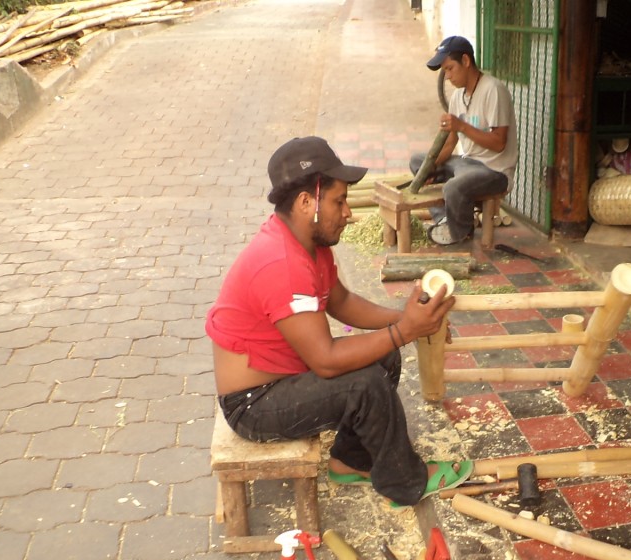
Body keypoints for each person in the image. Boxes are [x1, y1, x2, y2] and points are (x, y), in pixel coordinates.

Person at [206, 136, 472, 507]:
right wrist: (405, 330)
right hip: (253, 404)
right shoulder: (282, 263)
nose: (348, 212)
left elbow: (342, 301)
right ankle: (406, 482)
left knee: (384, 356)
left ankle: (350, 460)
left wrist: (409, 320)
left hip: (283, 379)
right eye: (339, 201)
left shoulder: (308, 245)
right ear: (305, 203)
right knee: (364, 385)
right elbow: (326, 361)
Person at [411, 35, 519, 246]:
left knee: (454, 187)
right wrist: (430, 168)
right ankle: (443, 218)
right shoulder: (457, 98)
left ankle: (459, 234)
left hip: (494, 171)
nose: (448, 76)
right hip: (466, 164)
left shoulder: (493, 90)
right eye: (445, 71)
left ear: (466, 61)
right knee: (417, 161)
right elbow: (450, 144)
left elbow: (499, 143)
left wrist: (462, 126)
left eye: (450, 68)